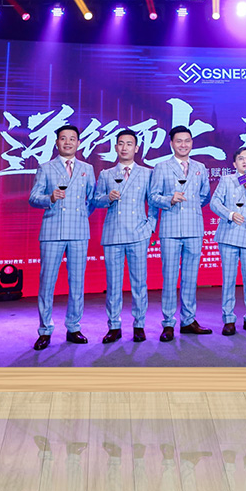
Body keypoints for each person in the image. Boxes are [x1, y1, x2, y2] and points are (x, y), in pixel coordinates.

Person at [28, 124, 96, 350]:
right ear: (57, 142)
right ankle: (45, 330)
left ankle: (74, 327)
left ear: (79, 143)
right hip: (52, 231)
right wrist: (50, 197)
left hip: (79, 231)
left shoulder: (87, 168)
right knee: (47, 282)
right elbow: (33, 198)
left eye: (72, 138)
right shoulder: (45, 168)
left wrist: (81, 215)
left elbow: (92, 200)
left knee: (77, 281)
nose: (68, 142)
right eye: (63, 138)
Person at [93, 129, 157, 343]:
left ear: (136, 148)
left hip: (138, 234)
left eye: (129, 144)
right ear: (115, 147)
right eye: (121, 143)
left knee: (139, 283)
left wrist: (150, 227)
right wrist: (107, 198)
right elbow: (95, 201)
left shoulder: (147, 173)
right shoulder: (106, 174)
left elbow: (153, 203)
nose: (124, 147)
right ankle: (114, 326)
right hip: (113, 234)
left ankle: (139, 324)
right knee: (113, 284)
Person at [149, 125, 212, 341]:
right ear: (171, 144)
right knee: (169, 277)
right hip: (170, 229)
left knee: (190, 277)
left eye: (187, 141)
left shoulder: (200, 167)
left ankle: (188, 320)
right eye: (179, 141)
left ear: (192, 143)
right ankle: (168, 323)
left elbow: (205, 196)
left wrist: (190, 207)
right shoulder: (161, 167)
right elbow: (153, 196)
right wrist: (170, 199)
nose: (183, 145)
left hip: (194, 228)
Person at [210, 147, 246, 335]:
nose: (245, 162)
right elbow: (214, 203)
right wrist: (230, 214)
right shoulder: (227, 180)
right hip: (228, 235)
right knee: (228, 279)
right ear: (234, 163)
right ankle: (228, 319)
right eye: (241, 159)